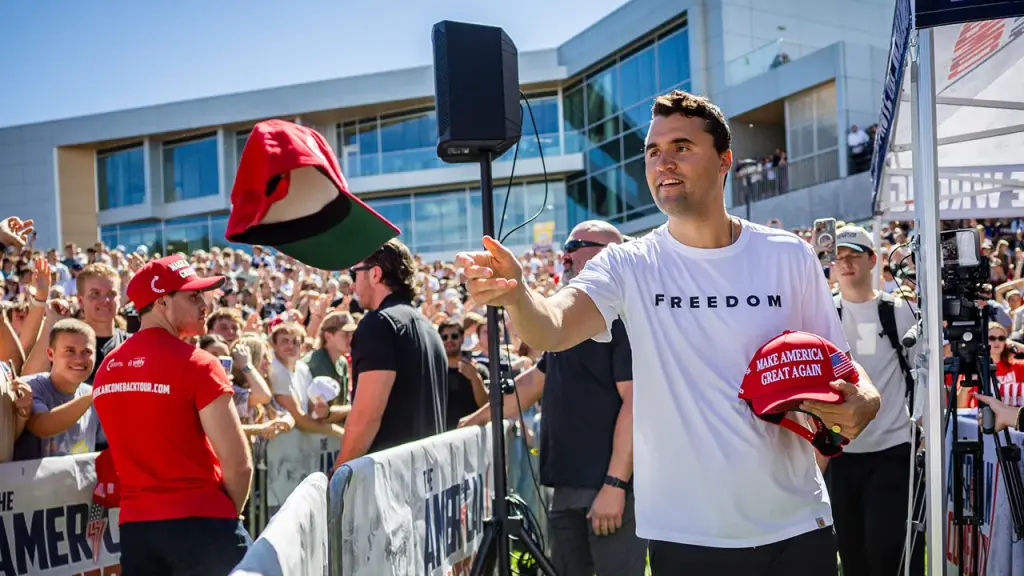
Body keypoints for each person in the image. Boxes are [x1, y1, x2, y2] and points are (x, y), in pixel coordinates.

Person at [457, 89, 881, 575]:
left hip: (796, 527)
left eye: (682, 147)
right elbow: (552, 326)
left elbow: (841, 368)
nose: (664, 162)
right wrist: (517, 297)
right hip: (685, 535)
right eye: (653, 151)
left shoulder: (788, 255)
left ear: (725, 160)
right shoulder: (629, 262)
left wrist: (865, 400)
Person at [460, 220, 647, 576]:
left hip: (608, 488)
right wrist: (477, 420)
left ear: (610, 254)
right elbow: (535, 382)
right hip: (566, 486)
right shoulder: (572, 318)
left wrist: (615, 484)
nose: (566, 253)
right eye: (567, 244)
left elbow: (636, 403)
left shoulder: (623, 317)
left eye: (577, 245)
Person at [92, 255, 253, 576]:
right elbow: (239, 464)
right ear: (162, 302)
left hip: (138, 532)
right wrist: (224, 516)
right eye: (193, 296)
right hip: (202, 525)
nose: (204, 304)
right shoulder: (198, 363)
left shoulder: (107, 368)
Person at [829, 225, 924, 576]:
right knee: (850, 552)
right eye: (838, 256)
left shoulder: (897, 310)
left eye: (854, 254)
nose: (846, 262)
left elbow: (923, 374)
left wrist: (924, 428)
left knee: (887, 548)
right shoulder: (824, 312)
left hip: (893, 449)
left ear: (873, 259)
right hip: (840, 452)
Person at [334, 238, 447, 466]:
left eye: (355, 273)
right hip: (427, 478)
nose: (353, 286)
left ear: (375, 274)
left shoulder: (378, 323)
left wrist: (338, 473)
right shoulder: (429, 328)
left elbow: (366, 417)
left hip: (392, 481)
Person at [13, 319, 100, 460]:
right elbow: (43, 426)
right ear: (50, 354)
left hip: (78, 481)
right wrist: (96, 393)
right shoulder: (31, 386)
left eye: (86, 352)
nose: (79, 359)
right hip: (32, 482)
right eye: (70, 351)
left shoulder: (92, 393)